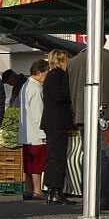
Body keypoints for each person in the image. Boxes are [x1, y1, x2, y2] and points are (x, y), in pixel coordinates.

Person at [67, 36, 109, 209]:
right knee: (106, 155)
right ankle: (105, 197)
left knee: (88, 156)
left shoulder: (72, 62)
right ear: (104, 41)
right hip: (106, 114)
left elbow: (67, 90)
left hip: (82, 114)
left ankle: (88, 197)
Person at [41, 50, 73, 206]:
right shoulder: (57, 75)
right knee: (57, 157)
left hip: (53, 122)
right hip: (57, 122)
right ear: (61, 61)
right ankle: (55, 191)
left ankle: (54, 190)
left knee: (55, 156)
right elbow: (61, 96)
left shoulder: (51, 76)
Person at [18, 59, 49, 200]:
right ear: (38, 73)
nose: (47, 75)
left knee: (29, 164)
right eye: (46, 72)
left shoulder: (25, 86)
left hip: (27, 133)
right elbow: (39, 114)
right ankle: (37, 191)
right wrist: (45, 130)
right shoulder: (36, 89)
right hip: (36, 133)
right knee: (36, 165)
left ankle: (28, 189)